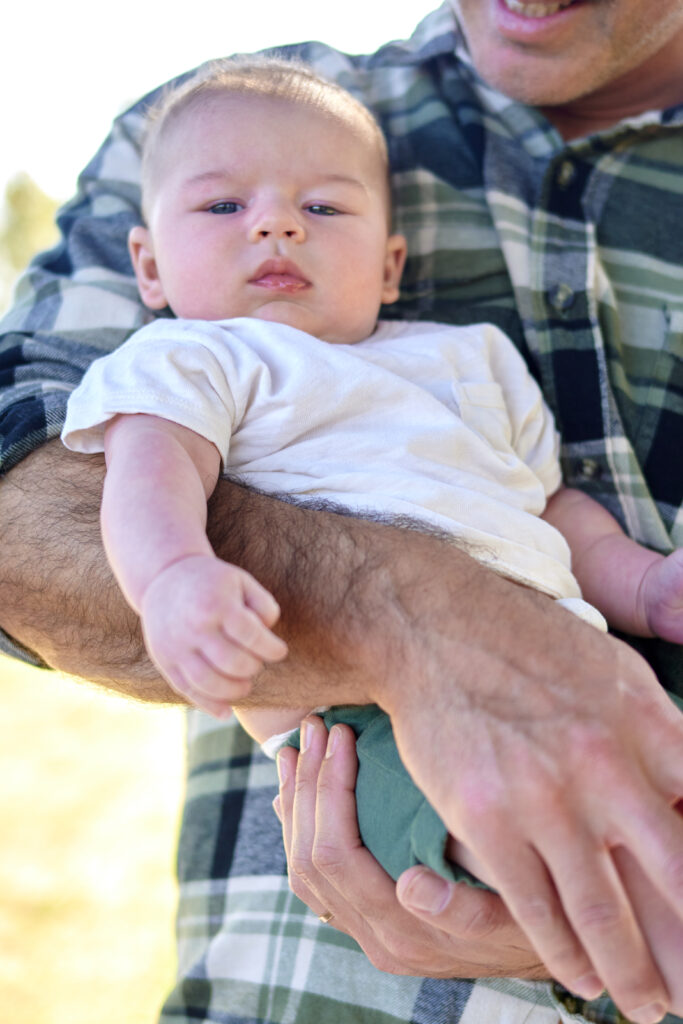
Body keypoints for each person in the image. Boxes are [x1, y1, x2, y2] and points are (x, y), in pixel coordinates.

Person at [1, 3, 683, 1023]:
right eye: (222, 207)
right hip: (357, 728)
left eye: (322, 209)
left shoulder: (462, 361)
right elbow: (144, 477)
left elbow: (550, 508)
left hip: (599, 670)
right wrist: (174, 575)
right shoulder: (195, 358)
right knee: (497, 833)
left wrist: (644, 582)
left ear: (391, 265)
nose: (276, 225)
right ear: (148, 269)